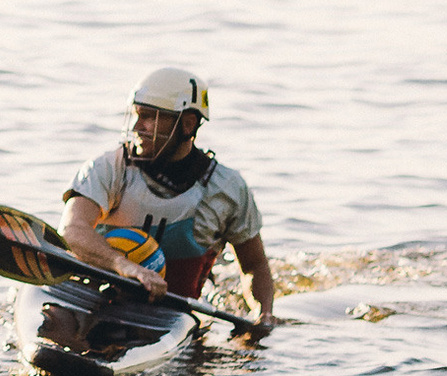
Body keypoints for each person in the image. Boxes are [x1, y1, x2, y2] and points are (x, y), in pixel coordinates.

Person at [39, 68, 278, 353]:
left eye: (150, 117)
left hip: (168, 315)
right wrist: (125, 266)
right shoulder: (108, 169)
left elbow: (254, 266)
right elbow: (73, 230)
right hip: (86, 297)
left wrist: (262, 316)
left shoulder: (226, 189)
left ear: (188, 124)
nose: (138, 126)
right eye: (137, 114)